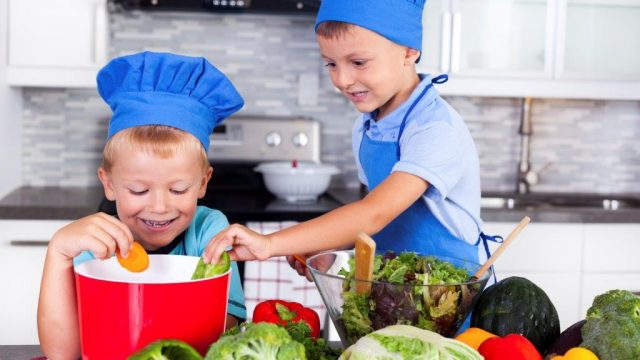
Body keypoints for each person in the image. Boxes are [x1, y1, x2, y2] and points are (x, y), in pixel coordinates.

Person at [204, 0, 498, 275]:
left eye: (358, 62)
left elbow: (375, 213)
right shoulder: (367, 126)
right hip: (394, 291)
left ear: (409, 51)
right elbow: (376, 224)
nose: (342, 80)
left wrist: (269, 244)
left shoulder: (434, 128)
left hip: (449, 296)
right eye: (331, 64)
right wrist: (326, 245)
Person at [37, 51, 247, 359]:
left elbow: (224, 332)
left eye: (178, 189)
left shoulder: (210, 230)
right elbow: (62, 354)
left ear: (203, 182)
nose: (160, 206)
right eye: (138, 190)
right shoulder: (93, 241)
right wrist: (57, 252)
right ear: (108, 183)